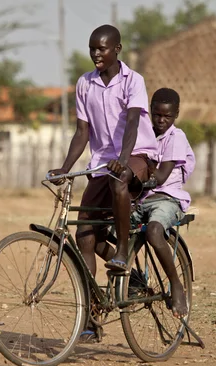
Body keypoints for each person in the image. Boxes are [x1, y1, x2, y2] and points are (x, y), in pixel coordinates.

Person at [49, 25, 158, 279]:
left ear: (117, 49)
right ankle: (91, 309)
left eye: (102, 48)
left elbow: (133, 123)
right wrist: (65, 168)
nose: (96, 54)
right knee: (85, 235)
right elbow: (82, 132)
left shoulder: (133, 81)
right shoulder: (85, 84)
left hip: (137, 155)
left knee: (119, 180)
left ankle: (122, 251)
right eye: (91, 49)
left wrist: (122, 160)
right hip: (103, 163)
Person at [131, 88, 196, 318]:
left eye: (166, 116)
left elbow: (159, 177)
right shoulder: (144, 134)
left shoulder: (176, 137)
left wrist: (140, 167)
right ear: (150, 111)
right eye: (156, 115)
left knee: (155, 231)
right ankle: (135, 277)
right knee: (102, 232)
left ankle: (176, 284)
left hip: (167, 198)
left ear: (176, 114)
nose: (160, 121)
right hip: (142, 199)